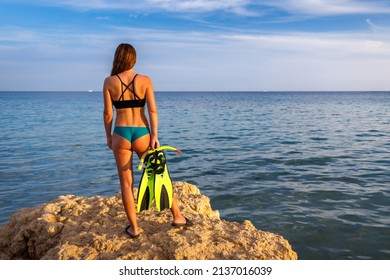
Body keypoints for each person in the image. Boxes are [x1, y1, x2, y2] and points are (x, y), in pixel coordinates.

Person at [103, 43, 191, 238]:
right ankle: (177, 216)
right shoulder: (145, 80)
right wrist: (154, 135)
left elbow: (108, 114)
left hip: (121, 133)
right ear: (133, 59)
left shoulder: (109, 82)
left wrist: (108, 136)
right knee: (161, 175)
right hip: (142, 133)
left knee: (126, 184)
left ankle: (134, 228)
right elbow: (152, 110)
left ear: (117, 58)